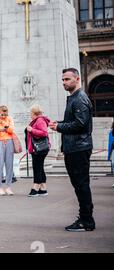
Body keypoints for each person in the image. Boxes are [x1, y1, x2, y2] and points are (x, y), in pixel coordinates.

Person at [49, 68, 95, 232]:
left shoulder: (79, 99)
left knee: (81, 185)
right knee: (80, 185)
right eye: (62, 80)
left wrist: (59, 127)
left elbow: (80, 124)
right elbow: (75, 121)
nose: (64, 82)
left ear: (77, 79)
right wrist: (58, 124)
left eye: (67, 79)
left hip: (78, 147)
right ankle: (85, 217)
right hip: (74, 147)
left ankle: (86, 220)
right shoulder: (74, 98)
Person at [26, 105, 50, 197]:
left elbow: (44, 133)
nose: (30, 115)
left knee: (37, 167)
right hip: (37, 148)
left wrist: (32, 130)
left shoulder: (40, 120)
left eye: (30, 113)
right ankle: (43, 188)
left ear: (34, 113)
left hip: (39, 148)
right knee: (39, 167)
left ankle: (36, 187)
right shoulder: (38, 120)